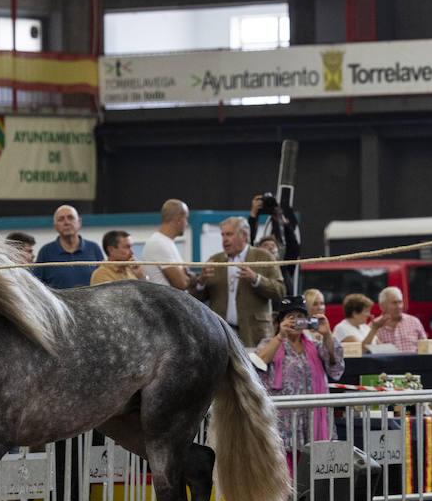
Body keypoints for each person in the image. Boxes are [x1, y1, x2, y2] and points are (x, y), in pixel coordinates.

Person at [255, 295, 344, 464]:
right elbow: (260, 362)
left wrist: (327, 335)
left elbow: (335, 364)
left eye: (300, 317)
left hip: (313, 419)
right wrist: (281, 336)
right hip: (284, 421)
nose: (296, 322)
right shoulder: (268, 343)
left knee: (314, 466)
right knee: (284, 467)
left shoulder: (316, 346)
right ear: (280, 321)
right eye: (290, 318)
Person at [191, 216, 285, 346]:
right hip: (221, 334)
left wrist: (256, 279)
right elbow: (196, 299)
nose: (225, 239)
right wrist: (201, 281)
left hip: (255, 334)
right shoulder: (214, 260)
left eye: (229, 234)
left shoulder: (263, 256)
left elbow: (280, 291)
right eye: (223, 235)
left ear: (244, 235)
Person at [33, 205, 102, 290]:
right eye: (61, 219)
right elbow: (36, 285)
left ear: (79, 222)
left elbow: (102, 282)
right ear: (55, 227)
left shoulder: (94, 248)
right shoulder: (45, 252)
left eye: (70, 218)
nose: (66, 223)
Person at [142, 199, 193, 290]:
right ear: (178, 219)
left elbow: (184, 278)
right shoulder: (159, 243)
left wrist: (185, 274)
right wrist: (186, 274)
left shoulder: (166, 242)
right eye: (186, 218)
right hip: (163, 303)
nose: (187, 223)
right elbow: (181, 284)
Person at [362, 286, 428, 353]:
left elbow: (426, 347)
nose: (398, 306)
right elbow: (365, 352)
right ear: (382, 306)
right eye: (394, 303)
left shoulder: (414, 322)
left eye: (400, 302)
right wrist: (374, 329)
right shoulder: (373, 326)